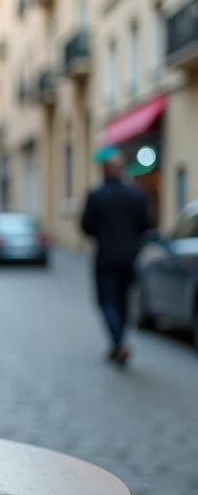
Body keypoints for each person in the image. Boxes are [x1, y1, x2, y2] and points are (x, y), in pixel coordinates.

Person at [80, 152, 153, 366]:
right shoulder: (137, 195)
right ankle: (118, 344)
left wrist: (102, 235)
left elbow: (86, 226)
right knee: (122, 302)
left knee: (105, 301)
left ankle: (119, 343)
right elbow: (147, 224)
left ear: (104, 171)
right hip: (130, 257)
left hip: (106, 257)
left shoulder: (97, 195)